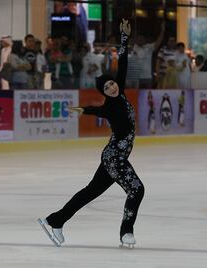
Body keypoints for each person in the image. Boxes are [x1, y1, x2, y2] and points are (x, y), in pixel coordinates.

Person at [39, 19, 145, 248]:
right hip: (114, 158)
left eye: (112, 84)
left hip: (113, 157)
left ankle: (55, 220)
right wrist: (84, 109)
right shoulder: (110, 106)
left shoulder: (122, 93)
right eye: (107, 88)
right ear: (103, 92)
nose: (112, 88)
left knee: (89, 192)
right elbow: (98, 110)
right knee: (136, 189)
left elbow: (123, 62)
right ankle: (126, 232)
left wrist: (124, 37)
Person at [133, 21, 165, 88]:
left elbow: (158, 42)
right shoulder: (134, 48)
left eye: (142, 38)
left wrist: (162, 31)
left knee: (147, 96)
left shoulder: (149, 47)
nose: (141, 40)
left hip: (148, 77)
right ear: (136, 39)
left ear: (145, 40)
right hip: (136, 78)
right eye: (139, 38)